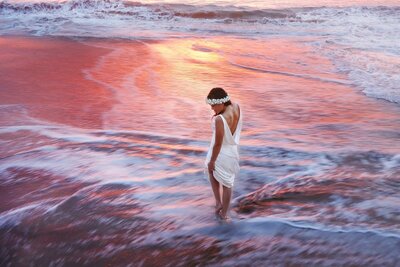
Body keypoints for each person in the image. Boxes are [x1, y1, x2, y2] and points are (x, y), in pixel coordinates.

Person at [205, 87, 242, 220]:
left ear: (221, 102)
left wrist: (212, 161)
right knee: (227, 182)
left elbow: (218, 143)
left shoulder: (219, 119)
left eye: (214, 105)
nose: (212, 109)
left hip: (221, 152)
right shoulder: (237, 107)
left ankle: (220, 206)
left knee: (213, 171)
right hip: (232, 150)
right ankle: (224, 212)